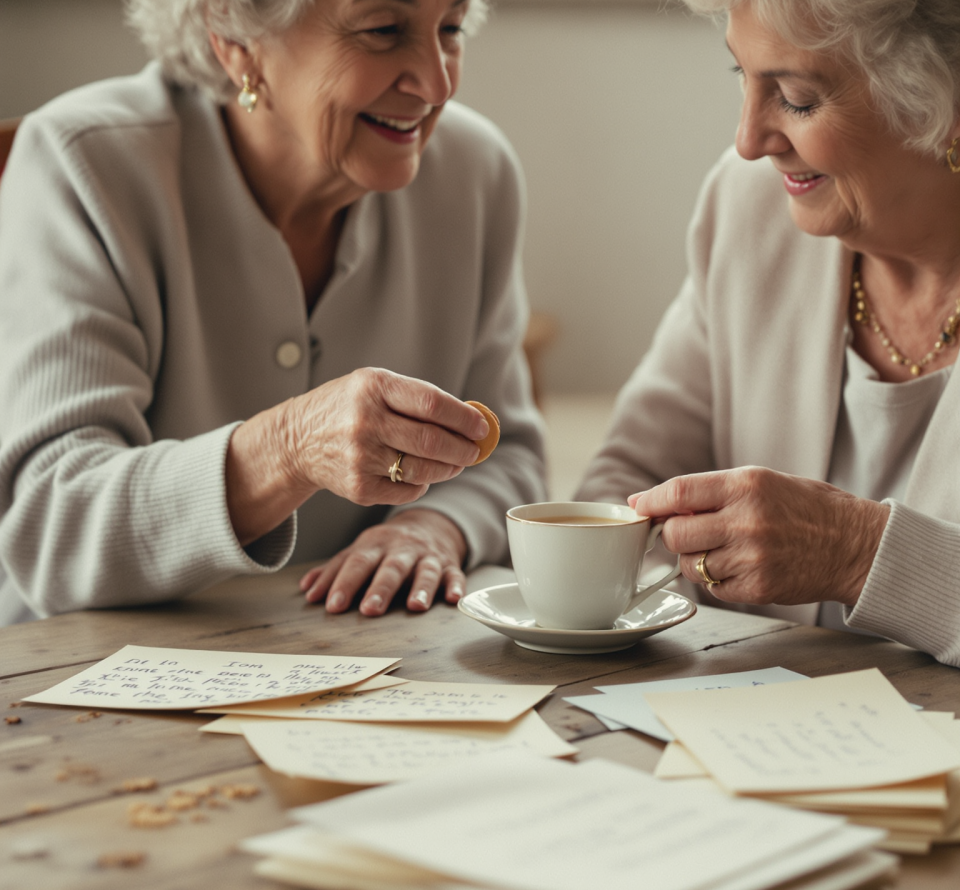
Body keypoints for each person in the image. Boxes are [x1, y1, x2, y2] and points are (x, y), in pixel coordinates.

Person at [0, 0, 545, 626]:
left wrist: (432, 526)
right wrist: (288, 449)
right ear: (236, 40)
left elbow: (508, 452)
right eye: (383, 31)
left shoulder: (477, 171)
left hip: (364, 667)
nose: (437, 83)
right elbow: (52, 524)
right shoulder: (84, 163)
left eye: (450, 29)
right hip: (82, 682)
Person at [577, 0, 960, 667]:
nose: (748, 140)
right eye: (742, 77)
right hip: (752, 735)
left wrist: (858, 553)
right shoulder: (751, 203)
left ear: (944, 108)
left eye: (797, 99)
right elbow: (628, 476)